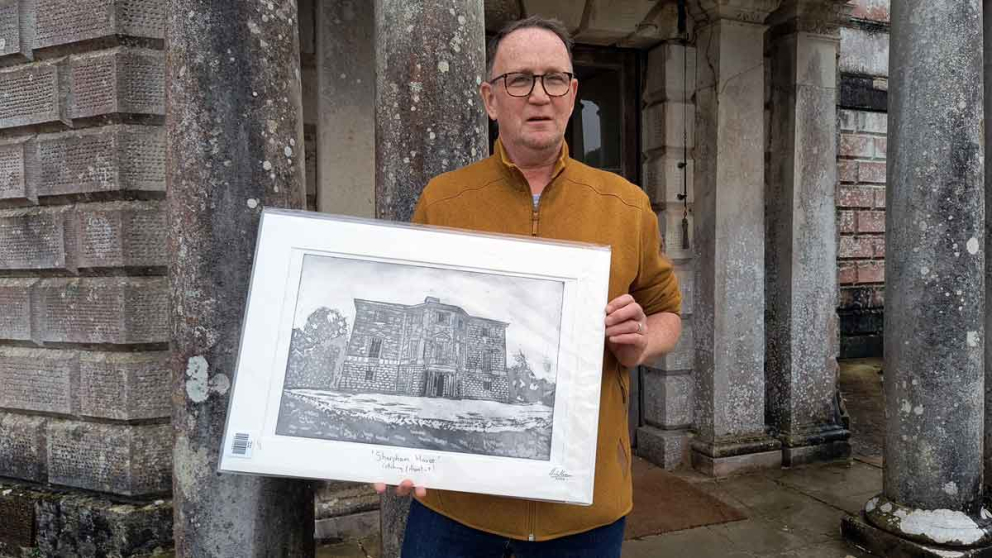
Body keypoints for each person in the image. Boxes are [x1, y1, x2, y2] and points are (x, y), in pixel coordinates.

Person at [375, 15, 683, 558]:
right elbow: (409, 318)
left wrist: (642, 340)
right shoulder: (442, 201)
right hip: (458, 504)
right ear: (491, 99)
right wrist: (391, 450)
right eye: (519, 80)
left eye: (554, 79)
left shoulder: (627, 205)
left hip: (584, 506)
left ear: (573, 93)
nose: (539, 95)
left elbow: (667, 314)